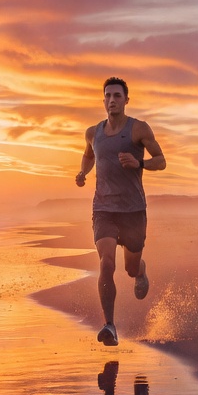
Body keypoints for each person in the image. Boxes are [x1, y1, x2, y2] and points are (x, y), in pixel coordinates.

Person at [75, 77, 166, 346]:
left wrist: (139, 163)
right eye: (108, 96)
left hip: (133, 210)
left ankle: (140, 270)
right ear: (103, 100)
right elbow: (89, 155)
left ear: (126, 100)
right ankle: (110, 326)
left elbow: (161, 161)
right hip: (103, 208)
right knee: (106, 262)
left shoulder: (138, 129)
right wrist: (82, 172)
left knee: (130, 267)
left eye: (117, 95)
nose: (112, 100)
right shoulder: (93, 133)